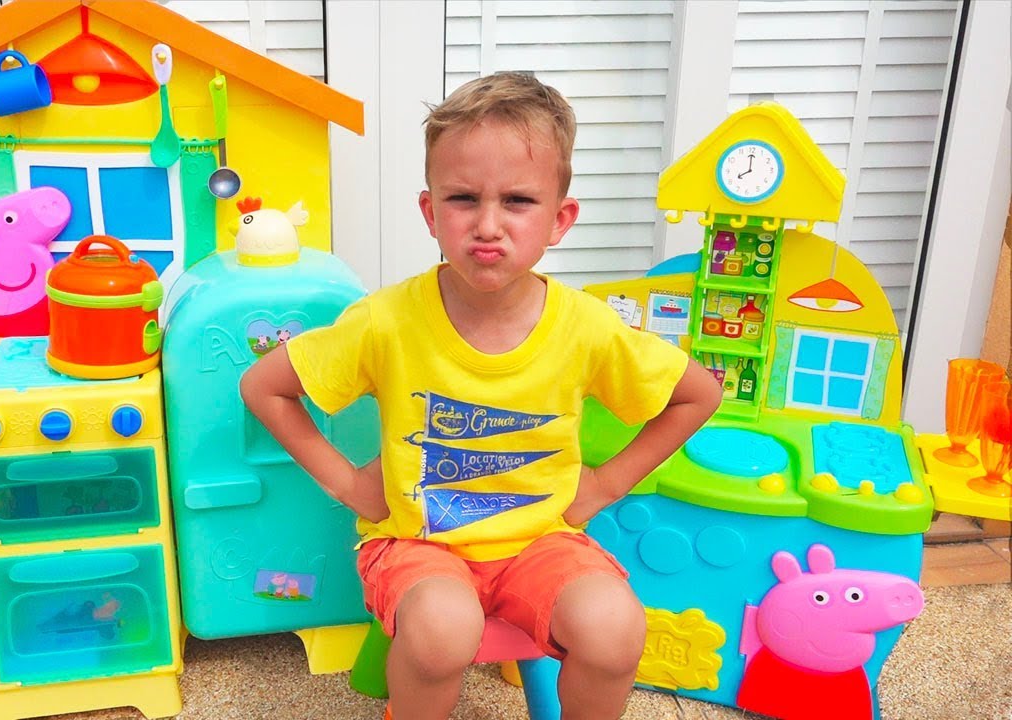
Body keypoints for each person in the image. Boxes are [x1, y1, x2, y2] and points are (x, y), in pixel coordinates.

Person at [240, 73, 722, 720]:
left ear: (560, 220)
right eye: (463, 198)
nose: (488, 225)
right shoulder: (386, 321)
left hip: (542, 543)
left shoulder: (587, 326)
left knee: (615, 628)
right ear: (430, 212)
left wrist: (606, 485)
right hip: (418, 546)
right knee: (443, 627)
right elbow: (264, 386)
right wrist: (350, 485)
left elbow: (697, 395)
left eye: (518, 200)